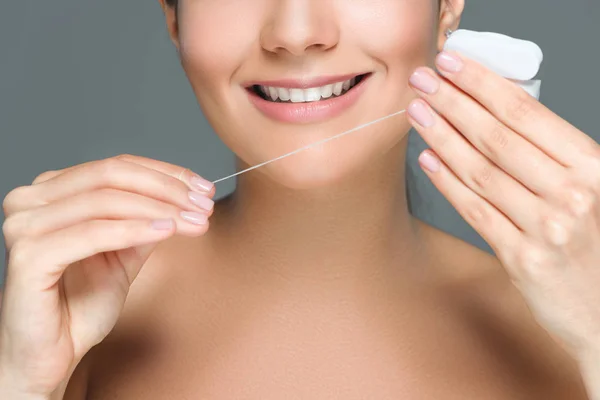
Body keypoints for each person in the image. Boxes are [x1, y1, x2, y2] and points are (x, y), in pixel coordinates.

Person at [1, 0, 599, 398]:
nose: (295, 33)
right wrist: (19, 384)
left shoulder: (569, 335)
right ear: (173, 15)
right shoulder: (79, 318)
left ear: (445, 5)